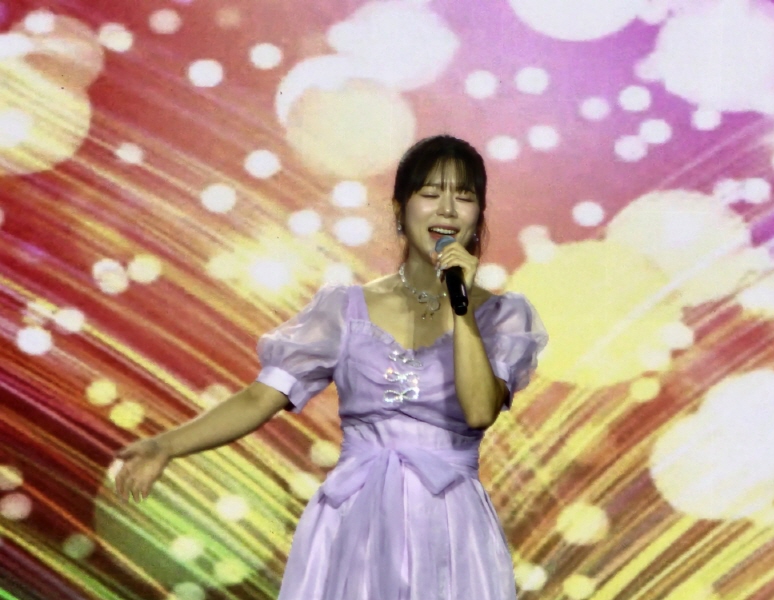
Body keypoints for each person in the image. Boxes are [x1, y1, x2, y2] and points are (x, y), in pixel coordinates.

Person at [114, 135, 549, 599]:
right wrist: (166, 445)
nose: (446, 209)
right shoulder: (343, 309)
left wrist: (461, 304)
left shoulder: (502, 316)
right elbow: (260, 398)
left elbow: (480, 411)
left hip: (450, 525)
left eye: (463, 196)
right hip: (353, 519)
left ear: (478, 215)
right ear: (399, 210)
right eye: (430, 193)